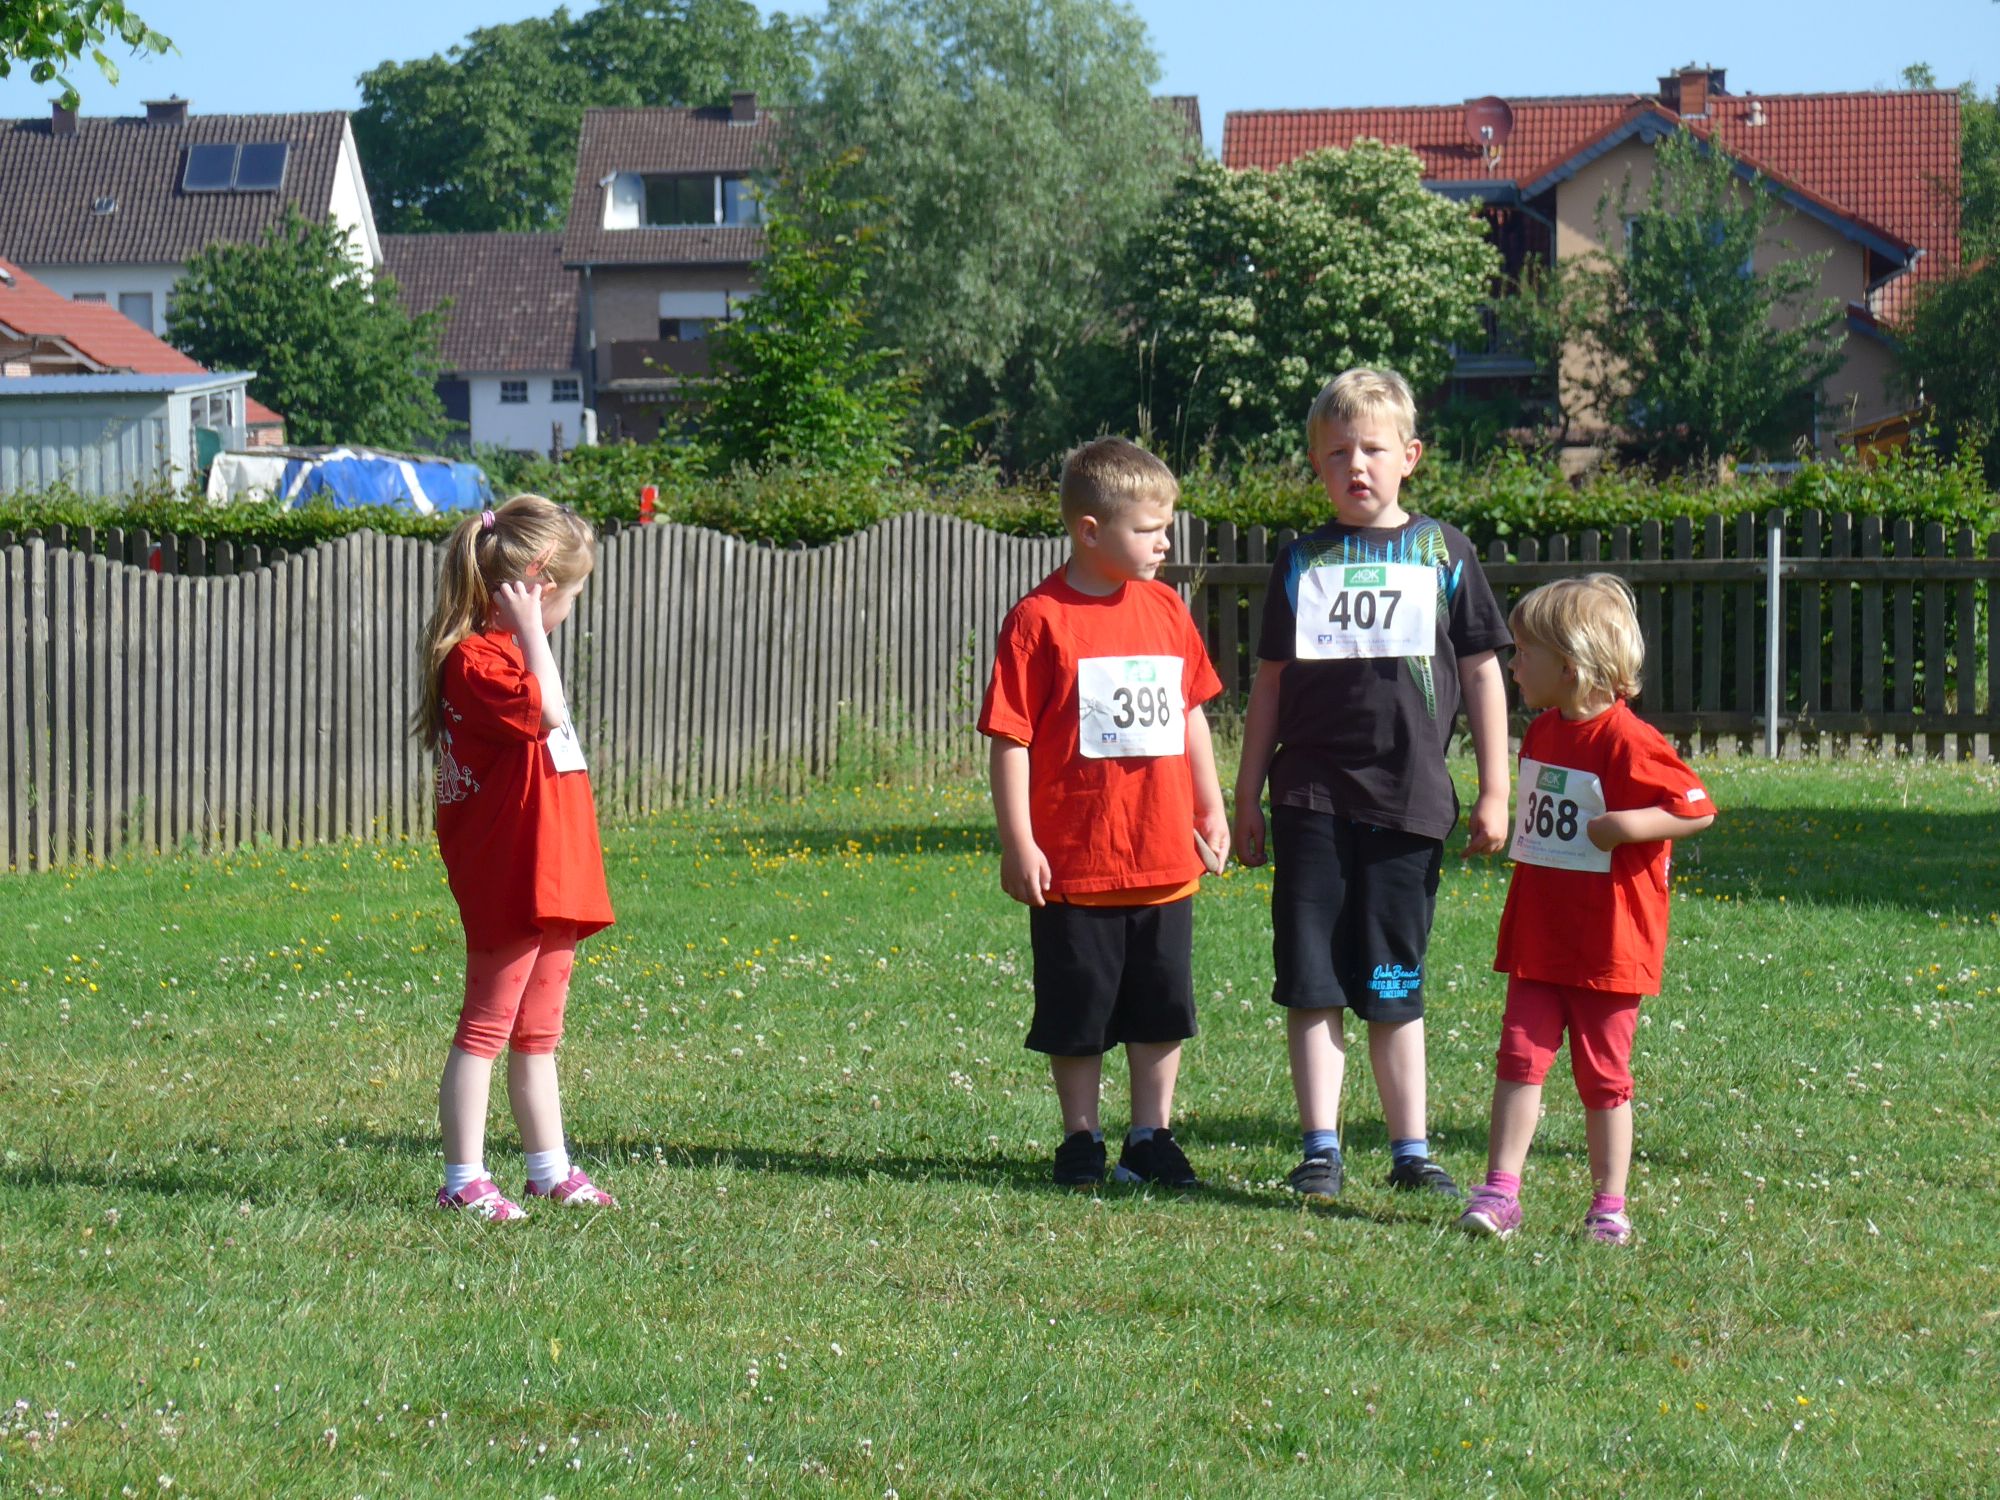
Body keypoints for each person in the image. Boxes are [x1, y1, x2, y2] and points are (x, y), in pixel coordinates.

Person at [1232, 368, 1512, 1200]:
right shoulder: (1301, 561)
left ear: (1410, 457)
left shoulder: (1445, 552)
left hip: (1409, 803)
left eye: (1373, 450)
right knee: (1313, 981)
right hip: (1310, 800)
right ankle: (1320, 1150)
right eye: (1337, 453)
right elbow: (1269, 686)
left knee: (1394, 984)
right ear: (1316, 465)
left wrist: (1495, 788)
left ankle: (1410, 1152)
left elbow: (1484, 672)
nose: (1356, 465)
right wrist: (1246, 796)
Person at [978, 437, 1230, 1188]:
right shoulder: (1039, 620)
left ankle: (1151, 1134)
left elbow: (1190, 713)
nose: (1165, 542)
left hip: (1163, 857)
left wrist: (1210, 806)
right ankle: (1081, 1139)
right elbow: (1011, 739)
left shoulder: (1167, 609)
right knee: (1078, 1009)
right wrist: (1018, 841)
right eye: (1148, 529)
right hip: (1076, 863)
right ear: (1090, 531)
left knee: (1162, 1006)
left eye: (1166, 526)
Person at [1460, 574, 1715, 1245]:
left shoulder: (1629, 740)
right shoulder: (1544, 732)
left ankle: (1609, 1205)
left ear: (1570, 666)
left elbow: (1696, 809)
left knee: (1603, 1078)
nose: (1513, 666)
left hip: (1608, 946)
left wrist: (1629, 826)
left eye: (1524, 653)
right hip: (1541, 937)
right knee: (1518, 1059)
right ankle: (1500, 1191)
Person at [411, 495, 617, 1219]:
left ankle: (548, 1170)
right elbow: (549, 713)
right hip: (511, 877)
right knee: (485, 1030)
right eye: (569, 595)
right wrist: (532, 631)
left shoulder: (520, 658)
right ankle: (462, 1179)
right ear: (534, 588)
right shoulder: (477, 662)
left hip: (554, 875)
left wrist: (533, 638)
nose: (569, 610)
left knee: (538, 1036)